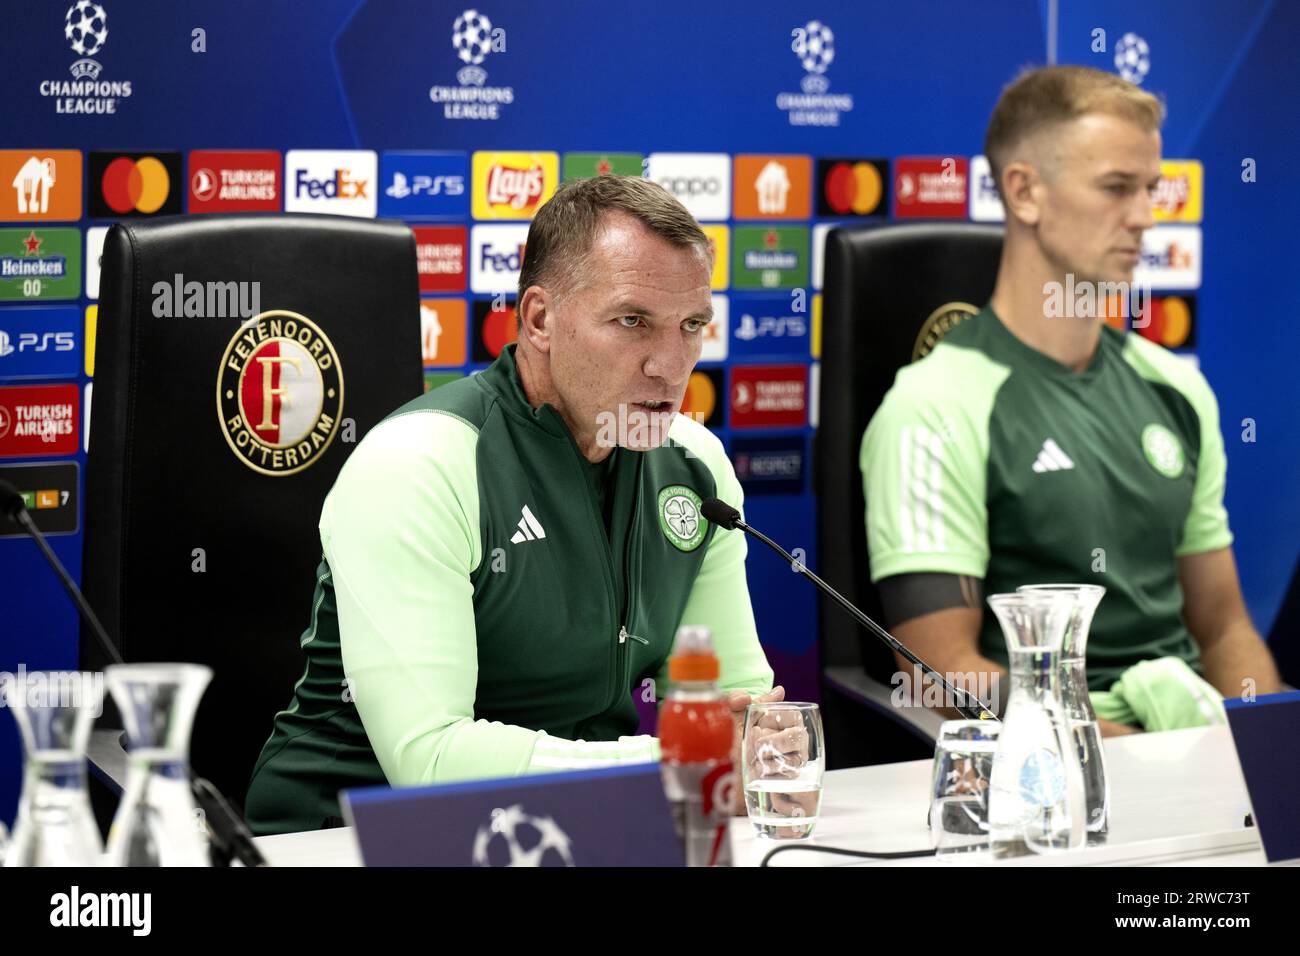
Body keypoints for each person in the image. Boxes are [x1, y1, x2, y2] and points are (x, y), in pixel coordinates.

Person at [245, 175, 779, 835]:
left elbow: (740, 717)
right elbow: (430, 761)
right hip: (350, 836)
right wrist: (675, 761)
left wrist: (757, 746)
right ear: (539, 319)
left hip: (572, 831)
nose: (672, 366)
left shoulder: (697, 472)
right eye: (632, 321)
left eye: (692, 325)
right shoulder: (419, 464)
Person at [860, 66, 1282, 734]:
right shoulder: (933, 408)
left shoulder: (1176, 389)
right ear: (1025, 192)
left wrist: (1261, 742)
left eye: (1150, 189)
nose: (1145, 218)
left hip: (1191, 742)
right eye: (1117, 188)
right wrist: (1134, 754)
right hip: (1045, 776)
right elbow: (940, 674)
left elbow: (1226, 628)